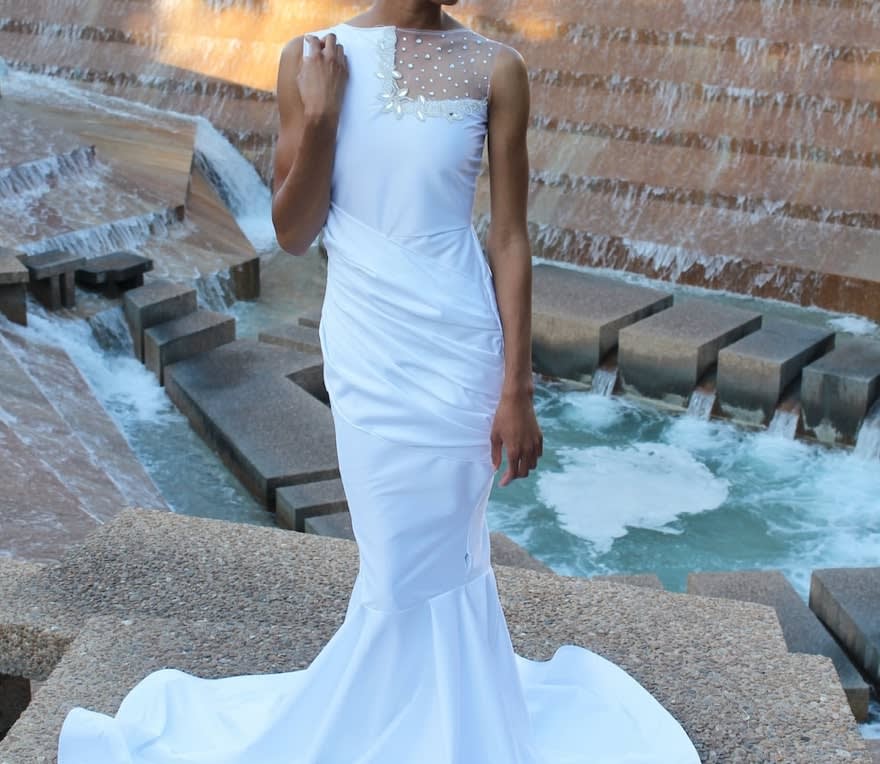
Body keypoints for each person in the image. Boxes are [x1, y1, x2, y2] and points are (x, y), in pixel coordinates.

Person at [56, 1, 702, 761]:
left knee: (452, 555)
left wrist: (516, 390)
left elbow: (510, 237)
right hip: (369, 347)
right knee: (394, 562)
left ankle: (450, 728)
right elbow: (293, 233)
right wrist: (325, 120)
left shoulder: (497, 68)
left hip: (461, 349)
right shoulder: (313, 56)